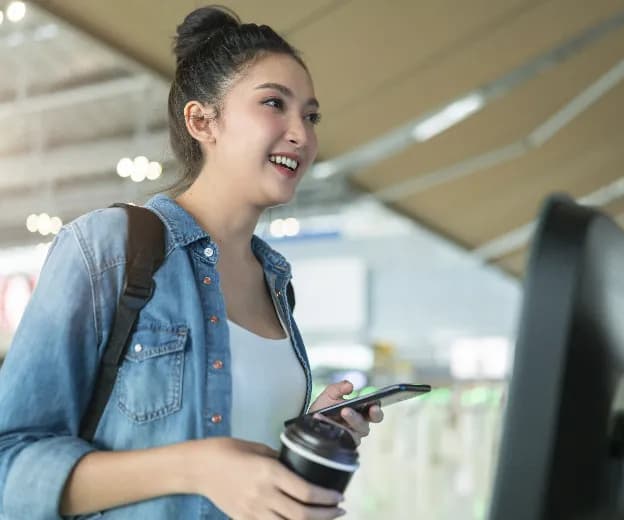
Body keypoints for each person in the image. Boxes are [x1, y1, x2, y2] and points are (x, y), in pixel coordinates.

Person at [0, 6, 382, 519]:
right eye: (275, 104)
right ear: (202, 121)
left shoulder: (275, 283)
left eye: (310, 116)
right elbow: (10, 467)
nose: (303, 135)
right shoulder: (110, 248)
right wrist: (198, 467)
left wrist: (308, 435)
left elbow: (243, 470)